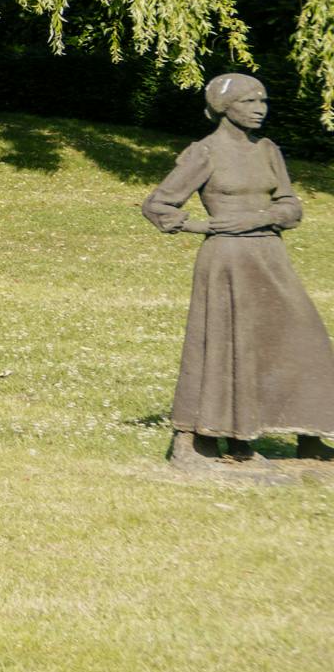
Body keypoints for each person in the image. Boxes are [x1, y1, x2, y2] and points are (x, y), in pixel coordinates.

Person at [141, 72, 334, 471]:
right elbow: (159, 206)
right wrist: (206, 226)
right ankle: (206, 443)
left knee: (303, 336)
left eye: (263, 101)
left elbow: (291, 206)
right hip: (227, 260)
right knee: (228, 345)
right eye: (249, 102)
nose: (259, 109)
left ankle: (312, 439)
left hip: (270, 255)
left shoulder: (267, 150)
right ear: (223, 108)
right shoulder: (204, 152)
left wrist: (262, 217)